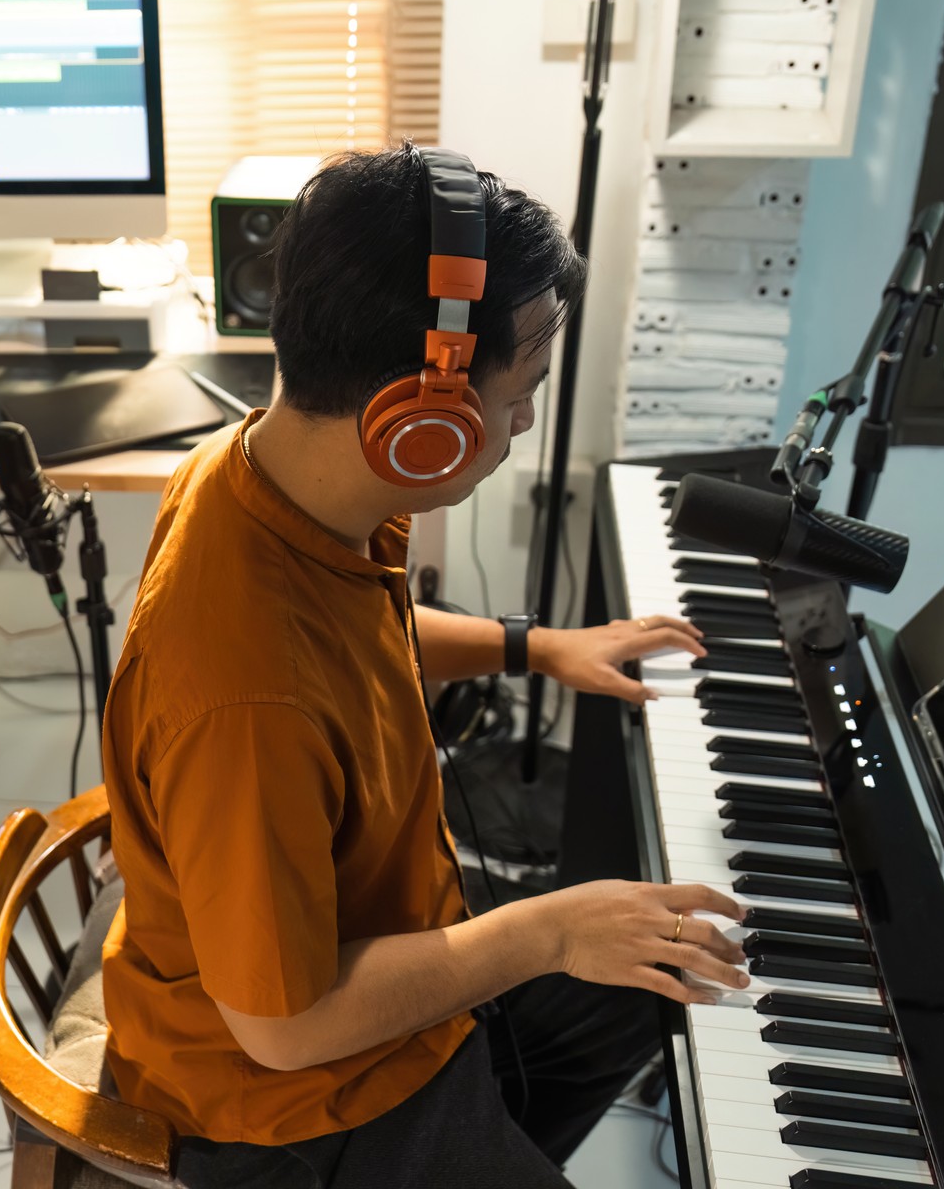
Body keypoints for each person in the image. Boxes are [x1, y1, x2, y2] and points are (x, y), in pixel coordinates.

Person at [99, 143, 752, 1186]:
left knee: (660, 950)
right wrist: (544, 931)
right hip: (288, 1104)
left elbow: (359, 643)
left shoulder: (265, 474)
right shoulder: (245, 699)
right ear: (425, 418)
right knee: (585, 933)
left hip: (368, 933)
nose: (528, 416)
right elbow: (282, 1025)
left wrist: (536, 647)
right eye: (524, 386)